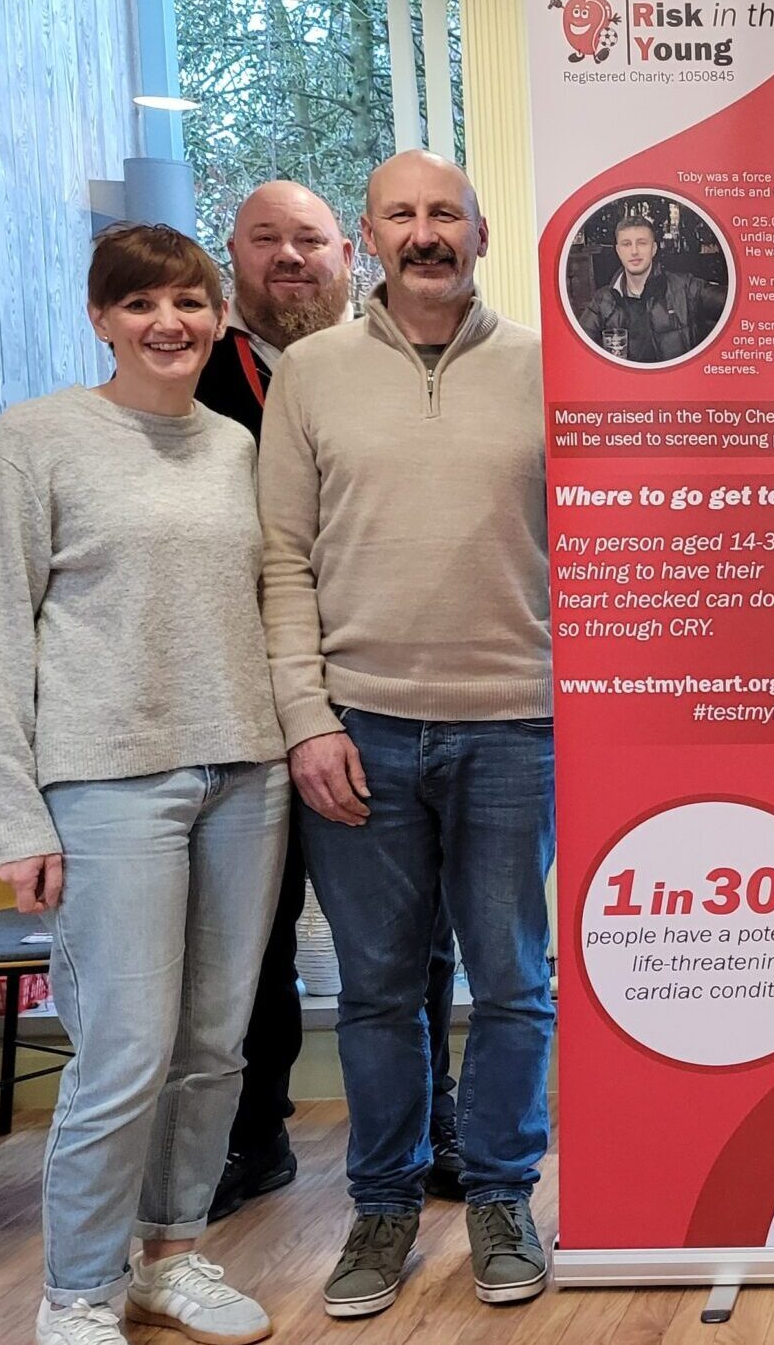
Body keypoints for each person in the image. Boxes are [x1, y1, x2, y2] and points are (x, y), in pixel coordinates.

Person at [0, 224, 286, 1345]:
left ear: (217, 317)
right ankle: (79, 1288)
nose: (169, 323)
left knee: (213, 1046)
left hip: (246, 769)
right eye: (140, 303)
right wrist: (13, 814)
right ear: (101, 319)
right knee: (123, 1049)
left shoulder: (235, 448)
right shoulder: (37, 438)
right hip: (106, 783)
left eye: (189, 302)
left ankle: (172, 1255)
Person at [257, 150, 554, 1316]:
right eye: (400, 216)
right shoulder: (312, 376)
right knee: (378, 993)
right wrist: (303, 720)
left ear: (481, 235)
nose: (425, 233)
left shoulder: (547, 367)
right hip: (360, 732)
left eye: (446, 214)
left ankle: (499, 1196)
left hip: (518, 728)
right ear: (367, 240)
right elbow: (281, 559)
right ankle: (380, 1213)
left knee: (516, 985)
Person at [195, 179, 468, 1225]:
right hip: (235, 705)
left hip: (368, 699)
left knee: (410, 938)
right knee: (251, 938)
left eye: (310, 240)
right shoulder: (190, 375)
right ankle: (251, 1136)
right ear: (235, 257)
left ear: (350, 255)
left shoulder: (383, 370)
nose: (290, 260)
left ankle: (430, 1127)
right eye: (267, 242)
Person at [578, 213, 728, 362]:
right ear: (618, 251)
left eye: (642, 243)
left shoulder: (685, 288)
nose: (634, 251)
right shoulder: (602, 301)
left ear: (654, 248)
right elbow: (577, 350)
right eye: (626, 244)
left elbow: (739, 301)